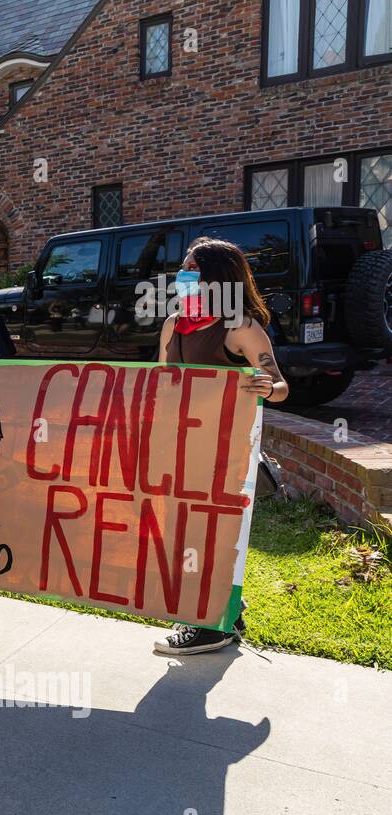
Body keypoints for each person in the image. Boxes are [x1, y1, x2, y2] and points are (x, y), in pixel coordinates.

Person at [154, 236, 289, 656]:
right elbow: (160, 382)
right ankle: (225, 611)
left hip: (224, 449)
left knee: (208, 532)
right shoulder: (174, 323)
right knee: (182, 530)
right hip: (182, 445)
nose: (183, 275)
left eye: (191, 268)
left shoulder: (240, 328)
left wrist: (267, 385)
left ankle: (211, 627)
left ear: (215, 277)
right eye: (183, 267)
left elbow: (280, 386)